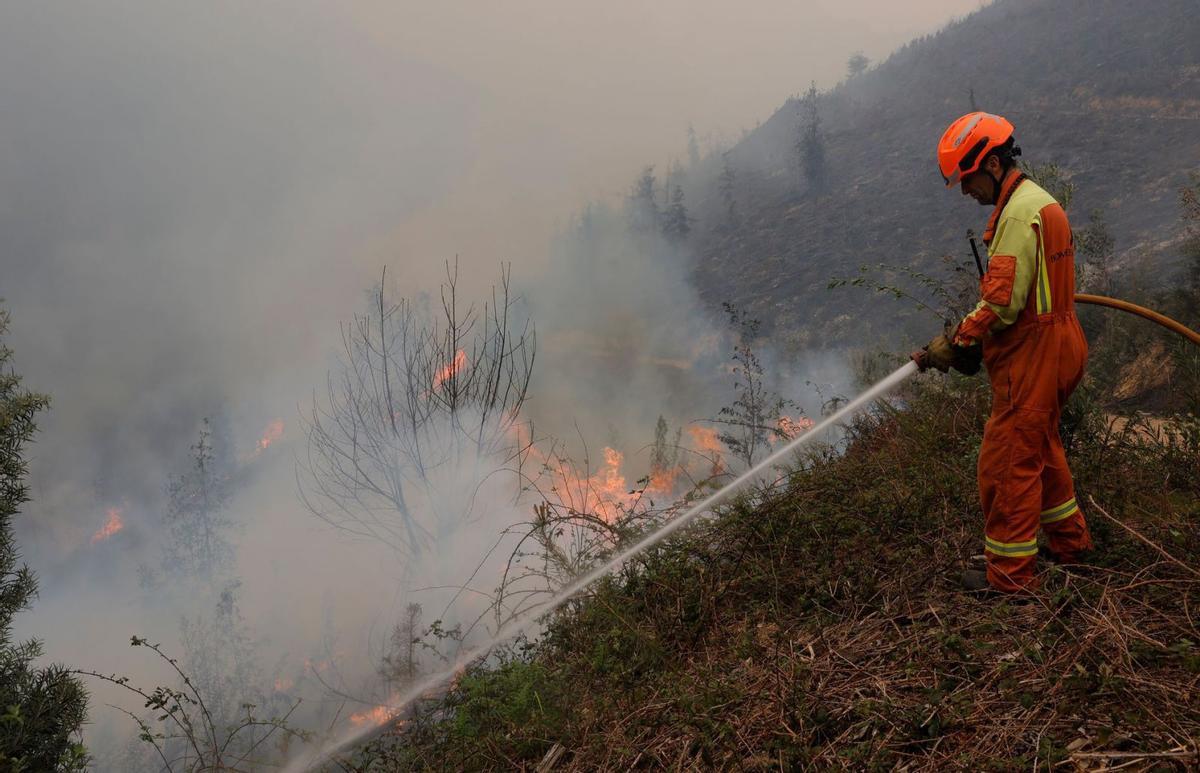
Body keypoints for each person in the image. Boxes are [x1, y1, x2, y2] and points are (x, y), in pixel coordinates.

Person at [912, 112, 1093, 593]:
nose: (965, 191)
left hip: (1035, 353)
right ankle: (1069, 545)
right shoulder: (1039, 202)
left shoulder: (1017, 213)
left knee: (1007, 461)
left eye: (967, 179)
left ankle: (1010, 577)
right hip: (1061, 345)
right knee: (1041, 448)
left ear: (991, 163)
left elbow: (1001, 300)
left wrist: (958, 341)